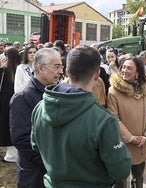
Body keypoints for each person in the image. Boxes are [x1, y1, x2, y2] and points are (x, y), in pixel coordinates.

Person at [31, 45, 131, 188]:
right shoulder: (104, 120)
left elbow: (35, 145)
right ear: (97, 75)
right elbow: (121, 171)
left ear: (66, 71)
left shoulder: (40, 108)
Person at [10, 48, 63, 188]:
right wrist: (52, 162)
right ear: (40, 68)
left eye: (61, 66)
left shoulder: (55, 91)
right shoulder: (23, 97)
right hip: (34, 173)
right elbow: (22, 140)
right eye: (56, 67)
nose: (61, 72)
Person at [107, 55, 146, 188]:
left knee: (138, 178)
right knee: (121, 180)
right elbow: (113, 118)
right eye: (123, 67)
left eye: (129, 68)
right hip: (122, 143)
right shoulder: (113, 91)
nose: (124, 70)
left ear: (138, 72)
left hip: (141, 143)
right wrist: (130, 138)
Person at [0, 47, 19, 162]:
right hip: (16, 101)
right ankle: (13, 152)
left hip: (4, 102)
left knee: (4, 126)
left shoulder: (3, 70)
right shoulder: (20, 69)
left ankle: (11, 154)